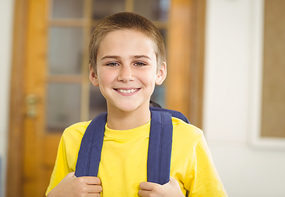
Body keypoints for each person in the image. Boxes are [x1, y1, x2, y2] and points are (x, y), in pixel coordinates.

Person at [46, 12, 227, 197]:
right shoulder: (73, 138)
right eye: (113, 63)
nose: (126, 75)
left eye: (139, 63)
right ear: (94, 74)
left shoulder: (189, 140)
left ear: (160, 73)